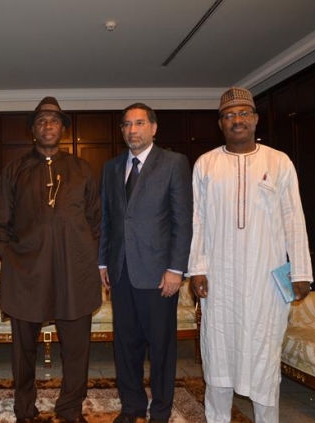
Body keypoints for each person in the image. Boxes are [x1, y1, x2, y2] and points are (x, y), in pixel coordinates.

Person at [189, 87, 313, 423]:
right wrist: (197, 269)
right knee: (218, 354)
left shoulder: (278, 162)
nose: (237, 120)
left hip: (265, 281)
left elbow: (293, 218)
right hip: (220, 281)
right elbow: (197, 221)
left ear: (256, 119)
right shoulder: (206, 164)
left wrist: (300, 271)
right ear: (220, 124)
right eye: (229, 116)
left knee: (264, 355)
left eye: (244, 113)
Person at [0, 96, 102, 423]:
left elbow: (97, 222)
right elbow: (0, 226)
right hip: (27, 273)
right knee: (22, 351)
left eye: (54, 120)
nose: (48, 126)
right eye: (41, 121)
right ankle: (25, 410)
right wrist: (15, 263)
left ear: (63, 129)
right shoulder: (15, 170)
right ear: (33, 130)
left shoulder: (82, 169)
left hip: (74, 273)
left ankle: (70, 408)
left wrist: (84, 259)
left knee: (76, 350)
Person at [99, 103, 193, 423]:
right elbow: (109, 220)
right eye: (126, 125)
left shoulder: (173, 163)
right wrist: (102, 264)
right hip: (121, 271)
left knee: (162, 348)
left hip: (158, 274)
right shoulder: (112, 168)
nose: (132, 130)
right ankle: (132, 406)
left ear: (153, 128)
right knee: (125, 346)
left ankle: (162, 410)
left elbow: (182, 220)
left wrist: (176, 269)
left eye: (139, 123)